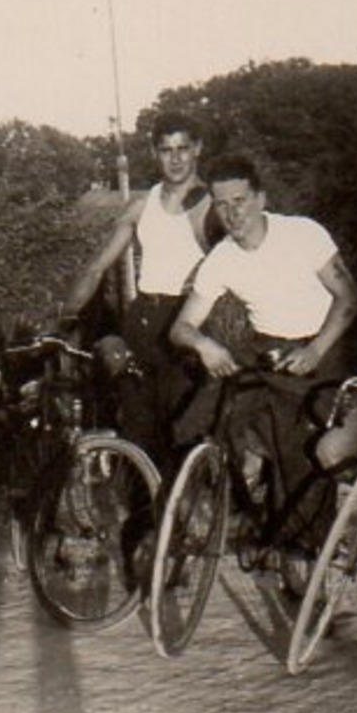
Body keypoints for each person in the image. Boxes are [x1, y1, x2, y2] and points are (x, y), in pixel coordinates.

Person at [169, 152, 357, 560]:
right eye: (222, 204)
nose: (231, 213)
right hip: (266, 346)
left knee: (305, 457)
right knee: (204, 411)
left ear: (260, 198)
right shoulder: (222, 257)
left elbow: (349, 298)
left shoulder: (303, 234)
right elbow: (181, 327)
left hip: (320, 346)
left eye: (239, 200)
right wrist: (205, 345)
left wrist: (314, 350)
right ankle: (232, 490)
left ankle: (311, 554)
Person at [55, 111, 212, 469]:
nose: (175, 158)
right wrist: (65, 316)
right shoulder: (142, 205)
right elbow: (97, 266)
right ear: (155, 153)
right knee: (138, 433)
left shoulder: (212, 206)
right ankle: (144, 520)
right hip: (143, 320)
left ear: (197, 150)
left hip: (189, 321)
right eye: (165, 149)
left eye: (183, 148)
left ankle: (187, 518)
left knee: (182, 433)